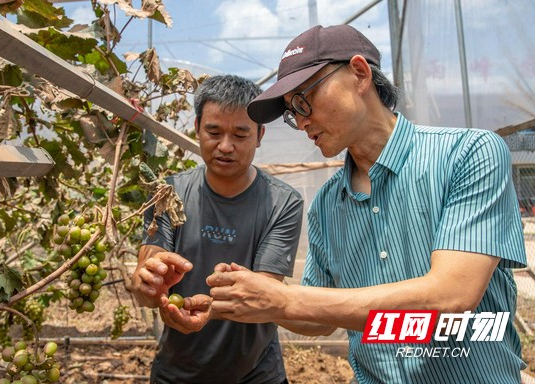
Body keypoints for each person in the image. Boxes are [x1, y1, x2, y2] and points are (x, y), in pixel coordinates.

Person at [206, 25, 528, 383]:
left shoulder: (467, 155)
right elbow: (317, 318)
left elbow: (451, 295)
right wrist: (248, 294)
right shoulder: (328, 204)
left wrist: (284, 301)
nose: (300, 122)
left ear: (359, 74)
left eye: (303, 100)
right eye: (290, 112)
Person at [132, 74, 304, 384]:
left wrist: (210, 309)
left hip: (257, 375)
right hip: (177, 373)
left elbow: (261, 296)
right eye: (213, 131)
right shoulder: (167, 193)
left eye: (240, 134)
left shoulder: (282, 202)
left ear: (260, 134)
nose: (225, 146)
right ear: (197, 127)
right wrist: (148, 283)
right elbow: (148, 270)